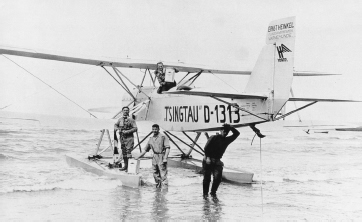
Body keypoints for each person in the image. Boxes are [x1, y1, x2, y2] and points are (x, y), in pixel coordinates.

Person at [202, 124, 240, 198]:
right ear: (220, 130)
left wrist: (231, 127)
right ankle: (205, 195)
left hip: (217, 161)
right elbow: (206, 148)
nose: (225, 133)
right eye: (224, 131)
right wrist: (208, 158)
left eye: (227, 132)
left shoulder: (227, 140)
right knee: (207, 178)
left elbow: (237, 134)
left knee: (218, 178)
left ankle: (213, 193)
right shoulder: (213, 137)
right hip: (208, 159)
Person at [114, 106, 138, 171]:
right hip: (122, 138)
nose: (125, 111)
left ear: (129, 111)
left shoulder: (131, 120)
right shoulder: (120, 119)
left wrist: (127, 131)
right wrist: (116, 128)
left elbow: (135, 128)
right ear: (122, 111)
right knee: (124, 152)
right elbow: (115, 125)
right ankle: (125, 166)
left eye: (127, 110)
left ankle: (129, 168)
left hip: (129, 138)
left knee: (128, 153)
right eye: (124, 110)